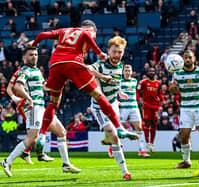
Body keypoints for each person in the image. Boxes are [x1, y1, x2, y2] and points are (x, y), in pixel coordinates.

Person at [31, 20, 136, 152]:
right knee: (98, 95)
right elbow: (87, 37)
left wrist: (34, 45)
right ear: (93, 30)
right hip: (73, 62)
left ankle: (42, 135)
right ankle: (119, 128)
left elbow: (41, 35)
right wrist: (99, 53)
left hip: (55, 63)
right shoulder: (88, 32)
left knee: (53, 103)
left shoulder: (64, 31)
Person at [1, 46, 81, 178]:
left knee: (61, 132)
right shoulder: (25, 70)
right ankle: (7, 161)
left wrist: (57, 83)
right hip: (33, 108)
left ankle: (66, 164)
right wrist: (28, 99)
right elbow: (17, 86)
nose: (34, 57)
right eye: (31, 55)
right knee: (32, 138)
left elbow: (44, 86)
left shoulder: (37, 70)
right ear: (25, 57)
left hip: (42, 108)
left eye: (36, 54)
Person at [89, 36, 136, 180]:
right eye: (114, 52)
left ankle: (110, 141)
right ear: (108, 51)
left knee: (114, 135)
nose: (117, 55)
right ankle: (125, 172)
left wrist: (120, 92)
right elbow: (88, 69)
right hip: (99, 106)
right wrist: (102, 77)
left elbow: (117, 81)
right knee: (114, 134)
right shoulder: (101, 64)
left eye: (119, 52)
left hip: (114, 103)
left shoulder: (121, 66)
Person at [6, 65, 54, 165]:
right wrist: (15, 98)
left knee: (34, 132)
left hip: (34, 104)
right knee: (33, 133)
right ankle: (34, 154)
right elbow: (9, 89)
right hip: (25, 104)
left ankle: (27, 153)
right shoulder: (19, 73)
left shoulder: (34, 72)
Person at [170, 50, 199, 177]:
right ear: (182, 60)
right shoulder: (177, 74)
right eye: (185, 57)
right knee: (184, 135)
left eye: (189, 57)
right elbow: (172, 91)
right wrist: (172, 88)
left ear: (194, 58)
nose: (187, 59)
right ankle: (186, 161)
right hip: (186, 108)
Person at [120, 64, 150, 157]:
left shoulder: (134, 81)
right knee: (119, 128)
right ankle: (114, 148)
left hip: (134, 107)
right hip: (123, 108)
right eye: (126, 70)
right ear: (123, 72)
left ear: (132, 72)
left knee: (139, 128)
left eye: (129, 70)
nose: (128, 72)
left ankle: (142, 150)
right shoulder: (119, 82)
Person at [137, 67, 165, 152]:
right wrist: (139, 100)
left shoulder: (158, 83)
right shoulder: (143, 82)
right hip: (146, 105)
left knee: (154, 124)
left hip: (155, 106)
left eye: (153, 71)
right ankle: (147, 142)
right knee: (147, 123)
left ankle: (152, 143)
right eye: (150, 71)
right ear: (147, 72)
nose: (151, 72)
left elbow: (160, 94)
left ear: (155, 72)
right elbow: (137, 92)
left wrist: (162, 101)